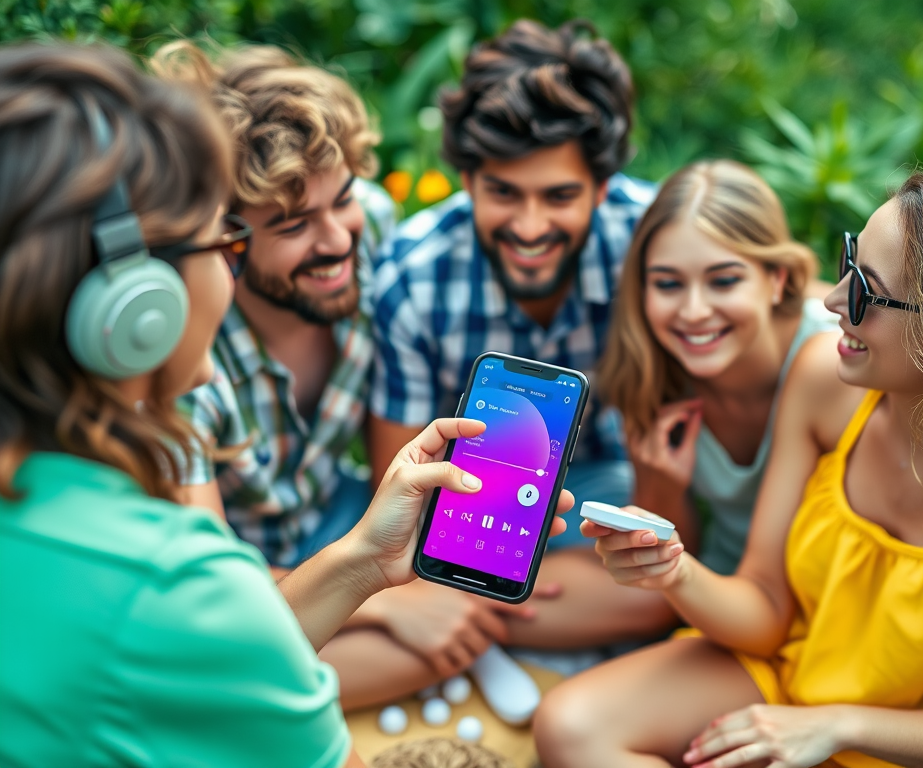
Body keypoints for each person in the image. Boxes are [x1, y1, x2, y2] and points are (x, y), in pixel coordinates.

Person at [0, 42, 571, 768]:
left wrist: (366, 560)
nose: (334, 237)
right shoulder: (176, 576)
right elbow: (217, 639)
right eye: (220, 235)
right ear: (139, 309)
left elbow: (219, 654)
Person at [534, 164, 923, 768]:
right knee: (570, 726)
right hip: (791, 667)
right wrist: (674, 570)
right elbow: (766, 608)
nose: (831, 299)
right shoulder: (823, 378)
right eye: (848, 264)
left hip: (909, 737)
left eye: (865, 291)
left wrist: (836, 725)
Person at [366, 18, 666, 687]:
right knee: (435, 580)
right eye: (504, 193)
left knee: (657, 578)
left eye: (559, 196)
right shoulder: (413, 279)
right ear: (468, 180)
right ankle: (488, 609)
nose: (530, 228)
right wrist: (430, 584)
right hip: (464, 508)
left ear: (602, 186)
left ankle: (479, 618)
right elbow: (398, 481)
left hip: (604, 487)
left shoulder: (652, 248)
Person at [156, 42, 397, 574]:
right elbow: (208, 584)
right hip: (243, 575)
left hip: (344, 520)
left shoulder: (374, 227)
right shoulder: (189, 348)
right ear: (222, 239)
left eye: (343, 199)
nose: (337, 241)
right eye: (293, 224)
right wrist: (380, 606)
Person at [599, 159, 836, 576]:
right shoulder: (650, 373)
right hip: (729, 587)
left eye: (724, 281)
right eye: (668, 284)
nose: (693, 312)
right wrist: (661, 485)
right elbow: (670, 558)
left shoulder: (837, 358)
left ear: (776, 279)